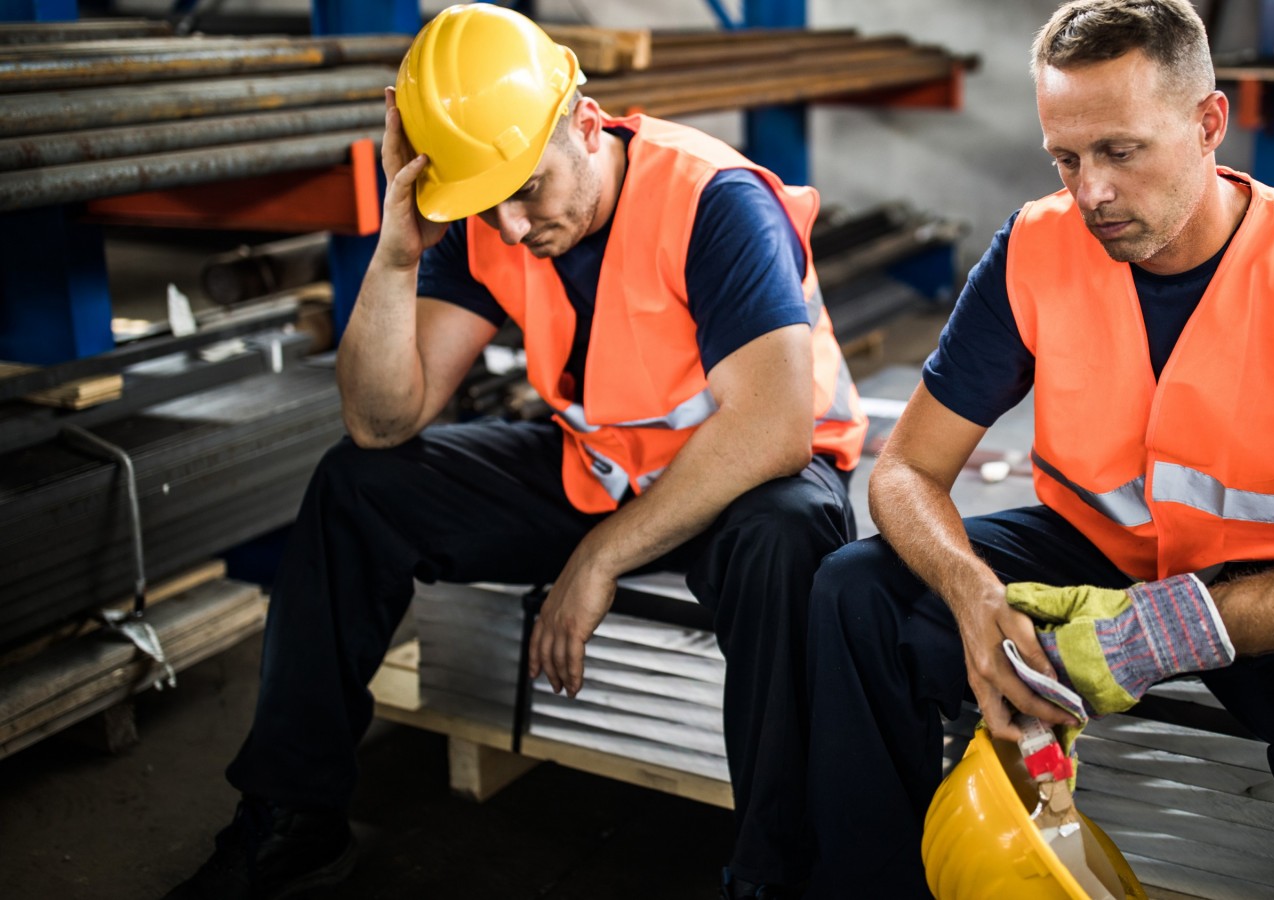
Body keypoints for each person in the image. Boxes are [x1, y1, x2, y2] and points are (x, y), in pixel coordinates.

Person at [166, 6, 864, 899]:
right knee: (358, 487)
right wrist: (393, 258)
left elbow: (772, 427)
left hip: (748, 477)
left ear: (584, 120)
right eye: (485, 202)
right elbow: (382, 423)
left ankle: (776, 875)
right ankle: (293, 816)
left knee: (785, 537)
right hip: (602, 462)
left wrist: (598, 559)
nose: (511, 225)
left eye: (529, 188)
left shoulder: (711, 200)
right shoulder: (492, 217)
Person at [805, 1, 1274, 897]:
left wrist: (1166, 633)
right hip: (1099, 557)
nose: (1090, 193)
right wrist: (973, 597)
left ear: (1207, 124)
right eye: (1066, 159)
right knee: (857, 591)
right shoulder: (1035, 249)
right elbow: (907, 471)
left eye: (1120, 152)